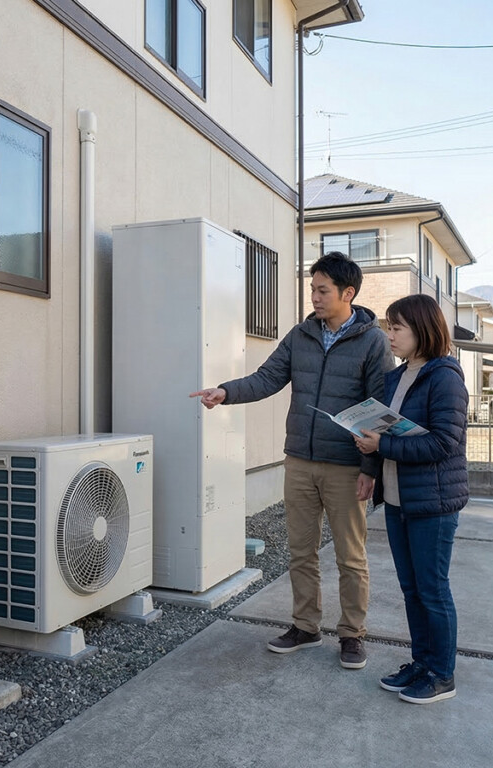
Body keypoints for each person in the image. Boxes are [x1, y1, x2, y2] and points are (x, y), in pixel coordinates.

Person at [191, 252, 394, 669]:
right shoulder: (301, 335)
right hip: (299, 460)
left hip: (346, 465)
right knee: (300, 551)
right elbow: (267, 378)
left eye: (323, 291)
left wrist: (370, 470)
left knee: (350, 556)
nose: (314, 298)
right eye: (312, 290)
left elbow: (380, 409)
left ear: (347, 293)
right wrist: (226, 392)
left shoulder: (373, 341)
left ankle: (352, 634)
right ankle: (305, 626)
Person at [353, 293, 469, 704]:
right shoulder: (396, 376)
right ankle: (422, 663)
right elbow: (386, 432)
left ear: (423, 329)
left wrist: (382, 446)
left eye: (397, 327)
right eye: (389, 326)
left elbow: (443, 442)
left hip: (433, 503)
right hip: (399, 499)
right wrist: (370, 456)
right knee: (411, 588)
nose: (389, 335)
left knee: (432, 589)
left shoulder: (445, 377)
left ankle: (442, 674)